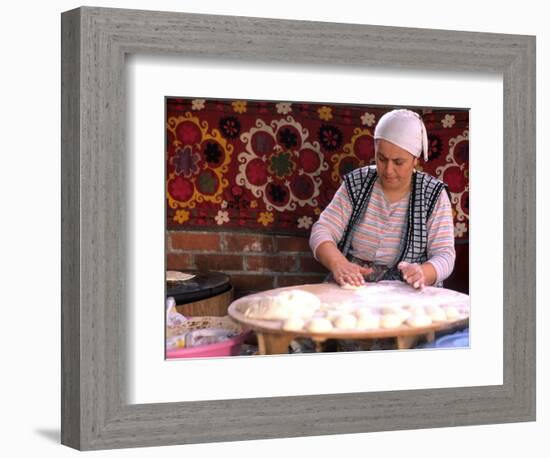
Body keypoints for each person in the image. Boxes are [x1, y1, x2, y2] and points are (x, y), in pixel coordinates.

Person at [309, 109, 456, 289]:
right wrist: (339, 262)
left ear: (415, 160)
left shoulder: (433, 195)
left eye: (398, 162)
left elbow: (445, 255)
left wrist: (423, 272)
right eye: (381, 158)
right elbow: (322, 230)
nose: (388, 170)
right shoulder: (358, 183)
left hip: (406, 290)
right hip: (354, 284)